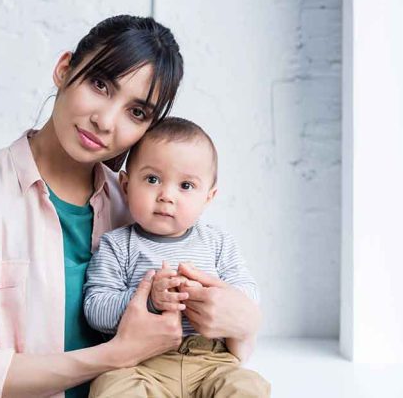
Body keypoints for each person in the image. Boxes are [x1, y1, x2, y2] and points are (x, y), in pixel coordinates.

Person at [0, 14, 262, 398]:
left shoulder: (138, 208)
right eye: (100, 85)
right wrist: (115, 355)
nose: (104, 121)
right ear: (65, 69)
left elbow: (213, 361)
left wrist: (245, 319)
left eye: (136, 112)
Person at [83, 117, 270, 397]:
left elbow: (249, 296)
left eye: (186, 186)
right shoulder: (117, 244)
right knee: (110, 387)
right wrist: (148, 300)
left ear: (208, 197)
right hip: (140, 363)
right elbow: (95, 309)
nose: (166, 196)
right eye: (152, 179)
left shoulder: (218, 243)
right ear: (125, 185)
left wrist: (213, 296)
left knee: (247, 386)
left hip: (211, 361)